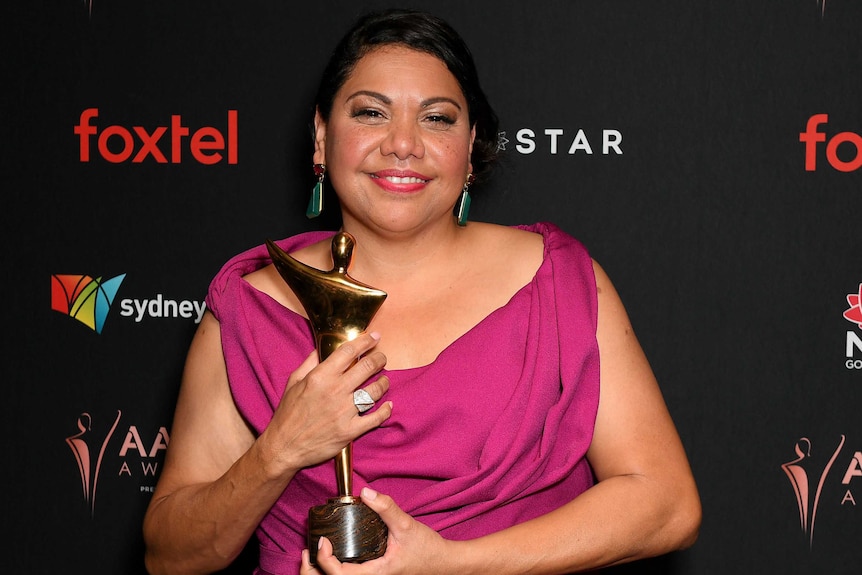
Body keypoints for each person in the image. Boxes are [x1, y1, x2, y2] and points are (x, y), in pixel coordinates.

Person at [142, 8, 701, 575]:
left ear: (471, 144)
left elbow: (666, 505)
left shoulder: (557, 283)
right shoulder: (251, 310)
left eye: (436, 119)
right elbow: (171, 556)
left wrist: (450, 563)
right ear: (321, 135)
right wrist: (279, 450)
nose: (403, 144)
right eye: (371, 114)